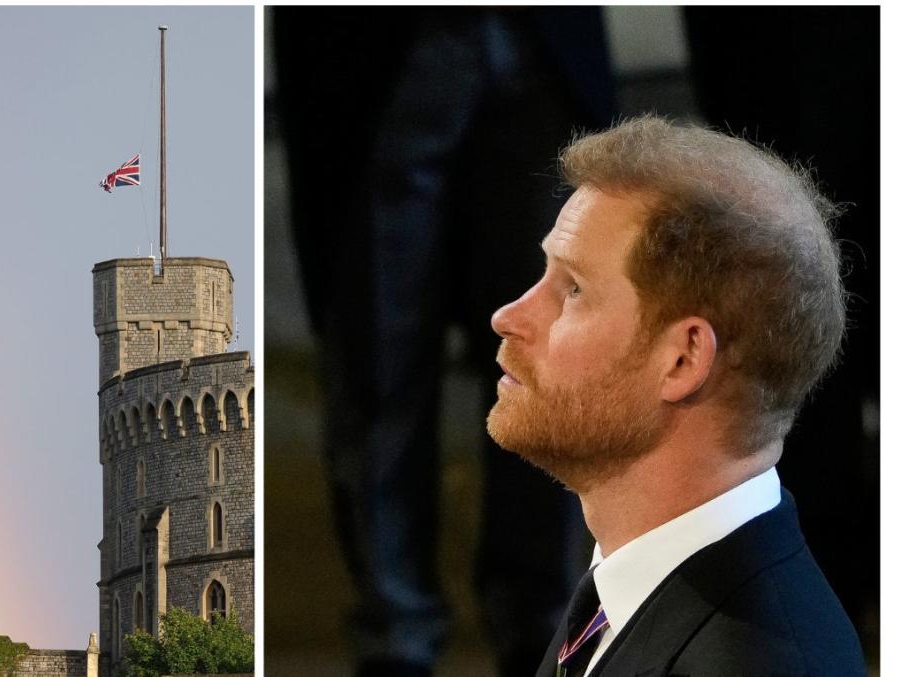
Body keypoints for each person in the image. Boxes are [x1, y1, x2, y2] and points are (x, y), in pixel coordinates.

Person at [273, 7, 617, 675]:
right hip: (366, 41)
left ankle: (548, 633)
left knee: (559, 355)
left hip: (544, 34)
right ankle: (396, 635)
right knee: (379, 360)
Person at [485, 115, 867, 677]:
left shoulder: (759, 661)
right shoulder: (625, 589)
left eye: (572, 289)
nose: (507, 317)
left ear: (684, 358)